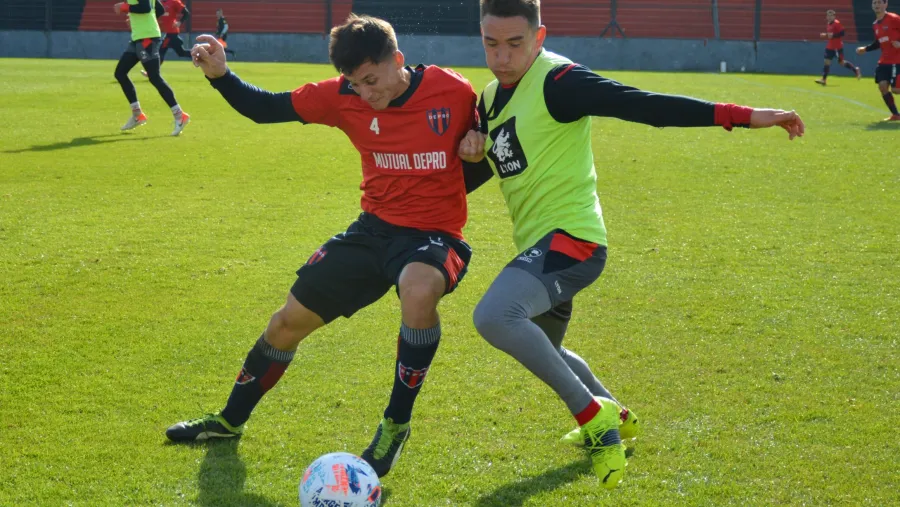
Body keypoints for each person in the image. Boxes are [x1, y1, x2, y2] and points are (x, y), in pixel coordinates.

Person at [458, 0, 804, 489]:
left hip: (573, 240)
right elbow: (482, 173)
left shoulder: (560, 82)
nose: (502, 56)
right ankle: (615, 413)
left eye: (515, 44)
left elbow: (644, 105)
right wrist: (467, 154)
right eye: (491, 43)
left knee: (495, 317)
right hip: (539, 247)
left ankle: (593, 420)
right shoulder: (490, 98)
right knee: (549, 347)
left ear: (539, 37)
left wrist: (745, 116)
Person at [166, 15, 481, 479]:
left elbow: (494, 142)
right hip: (371, 231)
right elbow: (265, 108)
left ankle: (395, 424)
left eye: (372, 80)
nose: (366, 93)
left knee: (418, 290)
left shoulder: (455, 92)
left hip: (435, 236)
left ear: (398, 60)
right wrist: (220, 75)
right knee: (286, 322)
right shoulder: (341, 96)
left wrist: (477, 146)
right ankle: (229, 421)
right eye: (355, 84)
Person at [113, 0, 190, 135]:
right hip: (139, 37)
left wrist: (125, 7)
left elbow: (145, 7)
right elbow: (158, 9)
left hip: (147, 38)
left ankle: (180, 115)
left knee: (154, 77)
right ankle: (137, 114)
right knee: (120, 73)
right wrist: (136, 18)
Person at [856, 0, 900, 121]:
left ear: (886, 4)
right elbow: (878, 43)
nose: (877, 5)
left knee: (896, 90)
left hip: (897, 60)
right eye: (874, 3)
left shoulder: (894, 18)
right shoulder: (875, 24)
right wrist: (865, 49)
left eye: (880, 3)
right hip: (884, 61)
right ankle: (896, 114)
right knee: (882, 86)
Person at [141, 0, 191, 77]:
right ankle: (200, 55)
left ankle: (151, 73)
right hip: (166, 32)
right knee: (181, 53)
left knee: (160, 51)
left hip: (171, 32)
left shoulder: (174, 2)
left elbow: (186, 13)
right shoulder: (158, 2)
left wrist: (179, 22)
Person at [815, 9, 861, 85]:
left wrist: (831, 35)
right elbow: (831, 35)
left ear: (834, 16)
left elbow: (842, 33)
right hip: (829, 47)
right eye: (828, 15)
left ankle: (855, 70)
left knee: (841, 62)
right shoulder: (829, 24)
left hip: (837, 47)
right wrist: (826, 35)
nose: (829, 17)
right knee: (826, 62)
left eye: (831, 15)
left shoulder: (837, 23)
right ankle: (823, 80)